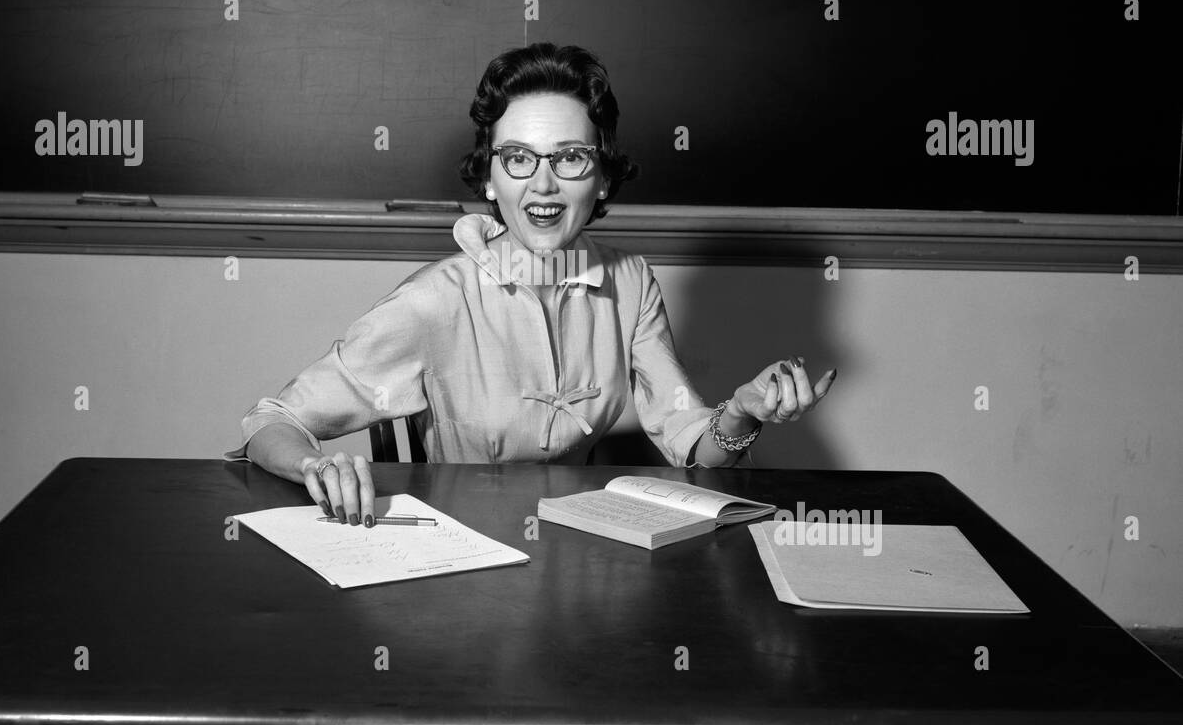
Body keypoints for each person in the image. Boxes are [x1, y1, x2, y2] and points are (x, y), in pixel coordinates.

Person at [225, 43, 836, 526]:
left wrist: (743, 414)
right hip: (461, 554)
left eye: (570, 157)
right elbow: (269, 420)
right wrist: (314, 466)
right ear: (489, 178)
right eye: (518, 157)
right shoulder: (437, 299)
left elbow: (689, 445)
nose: (542, 186)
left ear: (601, 179)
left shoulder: (631, 283)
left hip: (584, 551)